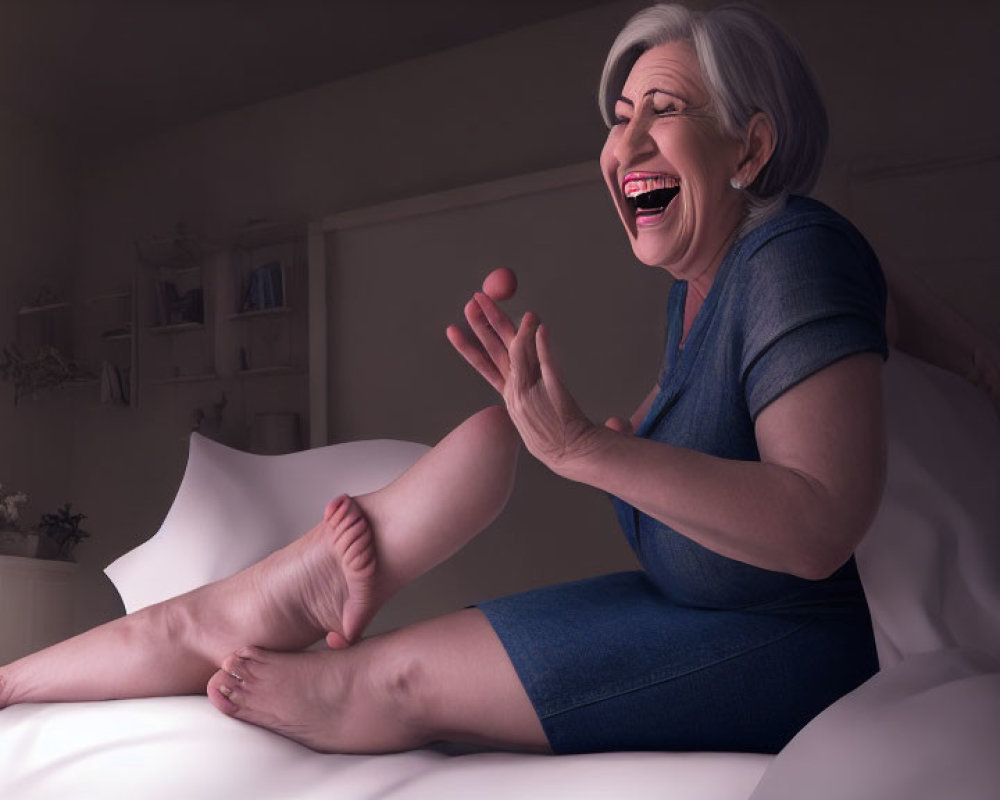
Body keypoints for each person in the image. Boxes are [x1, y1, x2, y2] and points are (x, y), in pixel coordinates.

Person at [0, 2, 992, 756]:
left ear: (753, 146)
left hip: (789, 641)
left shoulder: (789, 255)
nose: (625, 143)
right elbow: (902, 324)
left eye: (665, 110)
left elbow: (818, 526)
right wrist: (612, 439)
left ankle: (246, 607)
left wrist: (588, 449)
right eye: (617, 117)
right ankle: (79, 655)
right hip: (691, 601)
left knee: (364, 683)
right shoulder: (725, 278)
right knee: (471, 453)